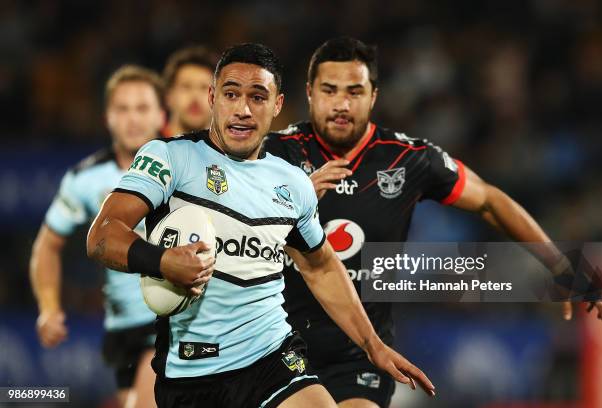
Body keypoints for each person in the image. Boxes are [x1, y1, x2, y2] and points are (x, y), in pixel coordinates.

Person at [263, 37, 602, 408]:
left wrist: (558, 264)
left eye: (355, 91)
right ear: (310, 93)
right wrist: (290, 202)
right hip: (281, 346)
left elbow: (490, 201)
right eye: (329, 90)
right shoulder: (273, 154)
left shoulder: (409, 158)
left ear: (374, 95)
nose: (342, 104)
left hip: (362, 354)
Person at [86, 43, 435, 408]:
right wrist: (161, 261)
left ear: (278, 105)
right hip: (191, 370)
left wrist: (372, 345)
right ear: (213, 97)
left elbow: (320, 265)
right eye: (231, 94)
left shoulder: (293, 183)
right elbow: (102, 235)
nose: (243, 109)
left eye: (258, 96)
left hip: (271, 357)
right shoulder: (171, 158)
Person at [30, 65, 166, 408]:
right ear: (108, 117)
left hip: (174, 320)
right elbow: (48, 244)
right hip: (123, 330)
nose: (132, 118)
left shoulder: (187, 167)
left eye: (142, 108)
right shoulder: (85, 179)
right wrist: (49, 308)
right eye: (122, 109)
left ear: (161, 114)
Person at [162, 45, 218, 137]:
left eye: (204, 87)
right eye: (186, 86)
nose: (195, 96)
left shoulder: (232, 149)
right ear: (168, 96)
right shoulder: (147, 148)